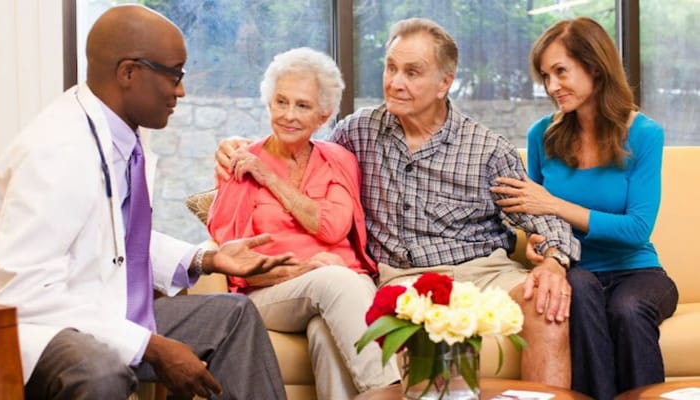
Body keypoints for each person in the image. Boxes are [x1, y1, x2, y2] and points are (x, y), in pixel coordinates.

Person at [216, 18, 582, 387]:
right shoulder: (358, 133)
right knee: (339, 326)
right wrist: (236, 145)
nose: (395, 82)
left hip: (483, 274)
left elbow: (542, 215)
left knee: (546, 307)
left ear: (444, 83)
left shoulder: (486, 149)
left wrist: (553, 261)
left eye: (412, 72)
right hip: (400, 281)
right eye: (391, 68)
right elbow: (298, 137)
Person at [0, 5, 294, 400]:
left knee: (232, 316)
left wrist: (208, 259)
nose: (181, 90)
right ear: (128, 72)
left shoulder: (118, 136)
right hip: (49, 328)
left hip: (106, 307)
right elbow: (25, 294)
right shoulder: (56, 150)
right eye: (175, 74)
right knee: (98, 369)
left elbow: (114, 237)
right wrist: (150, 346)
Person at [490, 17, 679, 399]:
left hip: (638, 272)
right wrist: (537, 242)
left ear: (594, 66)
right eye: (546, 75)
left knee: (627, 309)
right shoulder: (542, 134)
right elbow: (534, 216)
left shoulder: (644, 134)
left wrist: (555, 205)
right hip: (576, 270)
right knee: (578, 289)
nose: (552, 86)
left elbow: (636, 230)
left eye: (561, 71)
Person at [206, 47, 400, 399]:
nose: (288, 115)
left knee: (326, 335)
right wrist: (304, 270)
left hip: (337, 290)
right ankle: (389, 391)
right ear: (268, 103)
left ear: (323, 115)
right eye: (281, 102)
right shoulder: (241, 163)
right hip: (270, 292)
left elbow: (331, 227)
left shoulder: (338, 160)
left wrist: (269, 178)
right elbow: (237, 267)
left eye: (302, 106)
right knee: (336, 279)